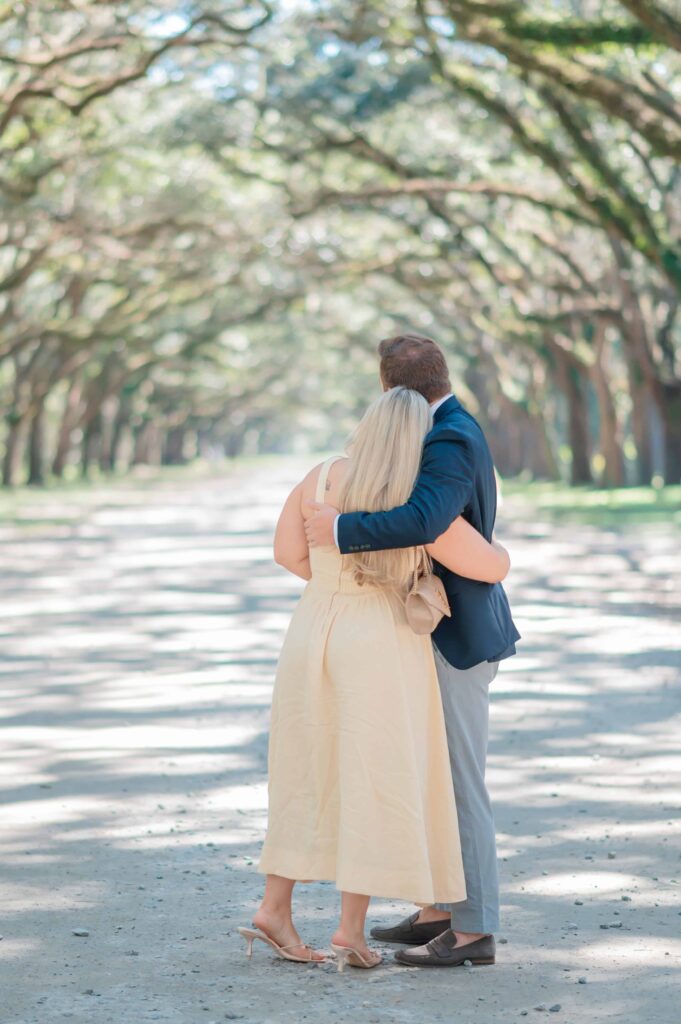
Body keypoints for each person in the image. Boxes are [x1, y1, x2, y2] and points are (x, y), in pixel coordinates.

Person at [239, 386, 511, 971]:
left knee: (303, 769)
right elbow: (490, 565)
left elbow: (287, 553)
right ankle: (350, 931)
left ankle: (274, 909)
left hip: (313, 628)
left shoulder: (319, 477)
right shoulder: (407, 498)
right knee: (369, 773)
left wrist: (336, 585)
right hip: (377, 639)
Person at [305, 335, 521, 969]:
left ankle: (474, 929)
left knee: (460, 784)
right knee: (433, 778)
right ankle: (439, 911)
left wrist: (340, 528)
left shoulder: (450, 438)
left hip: (459, 634)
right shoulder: (443, 428)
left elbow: (426, 520)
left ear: (390, 390)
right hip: (435, 628)